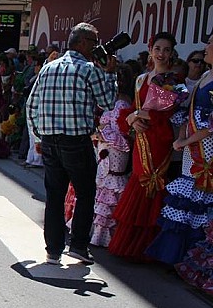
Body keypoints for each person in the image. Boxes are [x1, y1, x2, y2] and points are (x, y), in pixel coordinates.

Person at [26, 22, 117, 265]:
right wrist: (110, 73)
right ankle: (77, 245)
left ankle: (53, 250)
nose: (97, 48)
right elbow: (108, 103)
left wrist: (38, 136)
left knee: (54, 196)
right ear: (83, 43)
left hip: (49, 140)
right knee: (86, 194)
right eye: (95, 43)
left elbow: (31, 105)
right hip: (76, 140)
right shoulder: (89, 69)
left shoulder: (48, 68)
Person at [108, 32, 181, 261]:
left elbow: (165, 114)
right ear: (151, 49)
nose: (161, 53)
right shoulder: (142, 79)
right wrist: (131, 119)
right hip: (140, 138)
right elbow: (132, 109)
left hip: (158, 139)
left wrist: (140, 115)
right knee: (137, 179)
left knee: (151, 182)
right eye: (158, 48)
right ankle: (130, 244)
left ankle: (146, 247)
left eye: (166, 50)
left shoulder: (172, 81)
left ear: (171, 53)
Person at [145, 37, 213, 264]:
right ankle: (177, 257)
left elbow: (210, 126)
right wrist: (182, 136)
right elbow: (189, 112)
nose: (206, 48)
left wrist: (184, 142)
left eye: (211, 44)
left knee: (199, 202)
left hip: (205, 151)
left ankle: (194, 259)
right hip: (189, 148)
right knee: (186, 200)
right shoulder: (205, 77)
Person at [90, 64, 134, 247]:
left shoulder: (123, 103)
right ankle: (98, 233)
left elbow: (123, 134)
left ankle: (107, 235)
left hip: (116, 150)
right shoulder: (110, 101)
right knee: (103, 186)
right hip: (104, 149)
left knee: (112, 186)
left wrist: (101, 134)